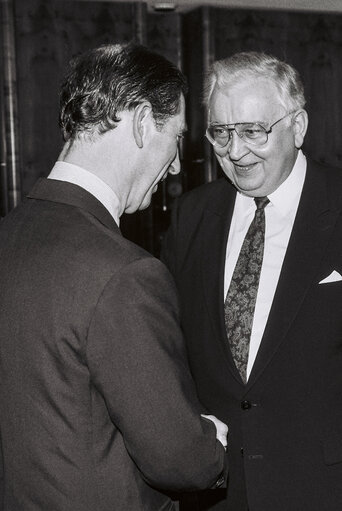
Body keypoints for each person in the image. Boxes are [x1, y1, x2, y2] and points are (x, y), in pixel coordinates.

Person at [0, 43, 229, 511]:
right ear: (143, 121)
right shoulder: (126, 273)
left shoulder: (10, 233)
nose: (178, 166)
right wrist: (210, 442)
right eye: (177, 138)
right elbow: (179, 460)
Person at [162, 51, 342, 511]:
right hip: (218, 491)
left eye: (252, 131)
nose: (235, 151)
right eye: (220, 133)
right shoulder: (191, 216)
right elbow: (173, 349)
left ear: (297, 126)